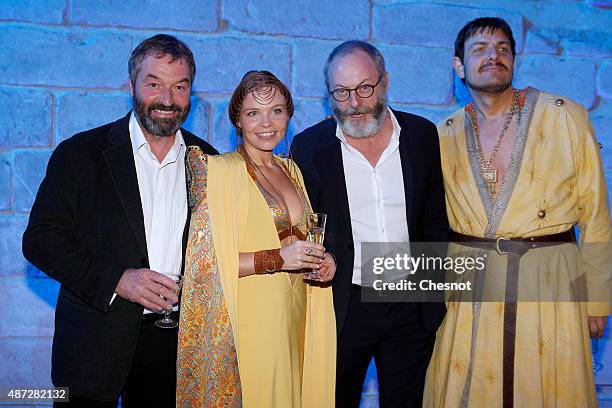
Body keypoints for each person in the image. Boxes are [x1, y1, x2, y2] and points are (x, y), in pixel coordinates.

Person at [423, 17, 612, 407]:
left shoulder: (565, 116)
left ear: (513, 59)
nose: (493, 56)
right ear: (459, 66)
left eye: (502, 49)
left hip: (551, 280)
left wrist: (597, 298)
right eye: (480, 49)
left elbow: (595, 213)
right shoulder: (443, 134)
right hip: (470, 286)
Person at [22, 34, 217, 407]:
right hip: (92, 344)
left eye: (180, 86)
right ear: (131, 86)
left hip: (173, 349)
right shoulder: (80, 153)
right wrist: (118, 280)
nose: (167, 99)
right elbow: (41, 240)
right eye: (154, 84)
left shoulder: (208, 161)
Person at [291, 41, 449, 407]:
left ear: (385, 81)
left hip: (411, 304)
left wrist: (433, 297)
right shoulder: (309, 147)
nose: (354, 103)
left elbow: (434, 220)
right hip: (345, 307)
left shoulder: (422, 135)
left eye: (364, 88)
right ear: (328, 94)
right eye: (342, 92)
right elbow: (303, 227)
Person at [176, 70, 337, 407]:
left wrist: (324, 261)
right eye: (253, 113)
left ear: (289, 115)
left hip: (296, 320)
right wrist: (277, 259)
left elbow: (304, 241)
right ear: (237, 119)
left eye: (277, 111)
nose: (267, 122)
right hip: (251, 325)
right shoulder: (218, 172)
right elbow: (204, 265)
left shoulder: (292, 170)